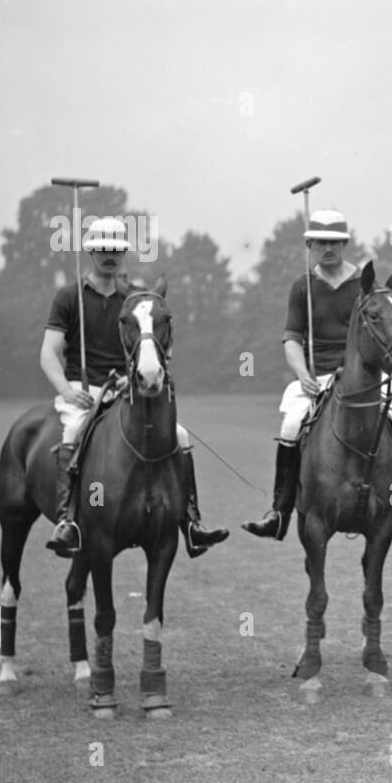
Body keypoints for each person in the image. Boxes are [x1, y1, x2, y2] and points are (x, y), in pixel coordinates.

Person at [241, 209, 392, 540]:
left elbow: (387, 329)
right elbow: (292, 341)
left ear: (345, 244)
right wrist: (302, 373)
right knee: (291, 424)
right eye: (321, 242)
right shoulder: (303, 287)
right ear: (310, 244)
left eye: (336, 242)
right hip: (320, 377)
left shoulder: (365, 285)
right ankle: (279, 511)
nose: (328, 248)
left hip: (364, 378)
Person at [41, 217, 229, 557]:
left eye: (116, 250)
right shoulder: (69, 297)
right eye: (102, 250)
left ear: (123, 253)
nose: (109, 256)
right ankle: (68, 520)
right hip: (83, 391)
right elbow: (48, 353)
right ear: (91, 252)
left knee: (181, 435)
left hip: (127, 388)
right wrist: (68, 392)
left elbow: (156, 343)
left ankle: (191, 521)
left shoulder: (135, 299)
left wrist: (138, 375)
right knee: (72, 433)